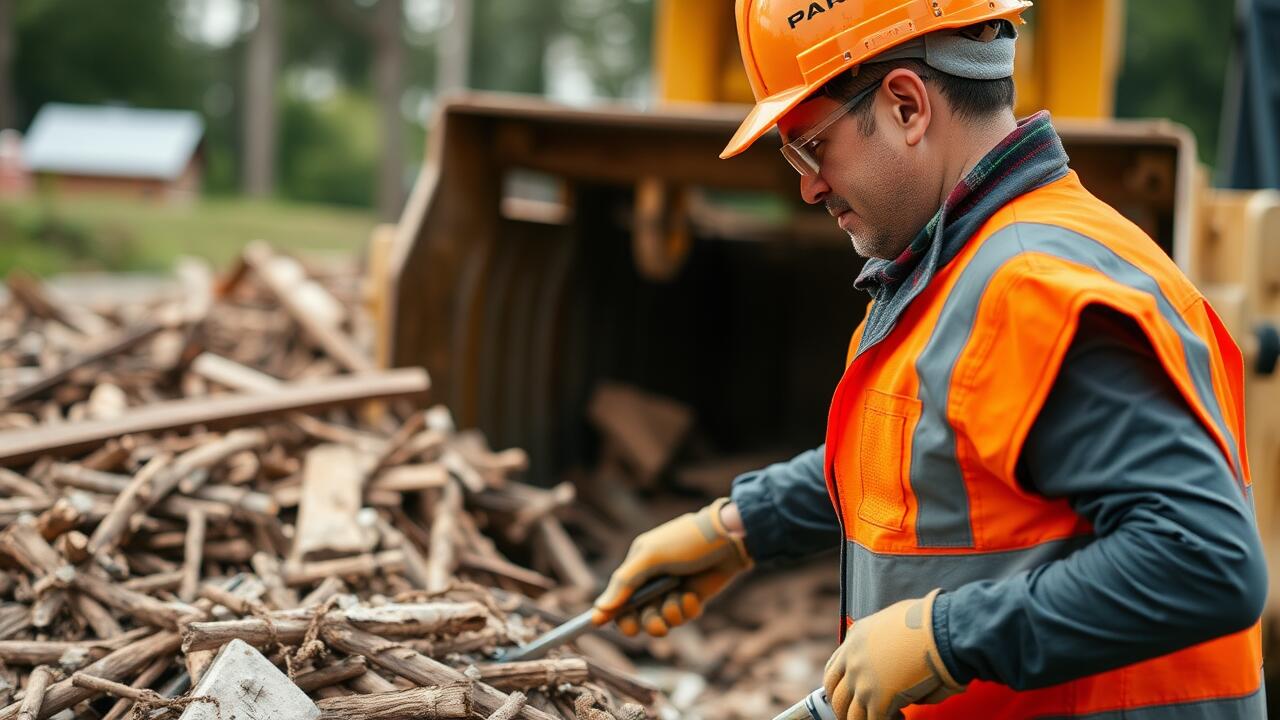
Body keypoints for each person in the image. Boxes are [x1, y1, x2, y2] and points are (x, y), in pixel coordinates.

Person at [590, 1, 1268, 718]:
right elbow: (934, 460)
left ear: (907, 106)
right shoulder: (965, 264)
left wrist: (948, 639)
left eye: (811, 146)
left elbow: (1204, 560)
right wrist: (742, 528)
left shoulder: (1036, 285)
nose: (808, 186)